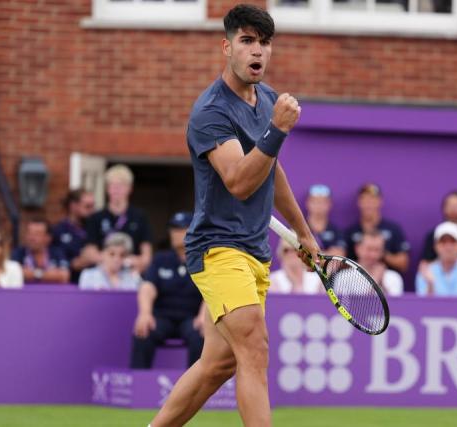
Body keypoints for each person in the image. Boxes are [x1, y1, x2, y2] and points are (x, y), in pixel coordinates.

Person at [148, 5, 317, 427]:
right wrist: (276, 131)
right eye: (247, 41)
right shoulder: (210, 112)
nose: (257, 51)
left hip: (255, 251)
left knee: (218, 365)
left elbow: (271, 173)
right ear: (227, 47)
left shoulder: (268, 100)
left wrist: (303, 233)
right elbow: (239, 182)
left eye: (264, 43)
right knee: (255, 349)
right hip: (218, 250)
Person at [131, 212, 205, 369]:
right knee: (143, 332)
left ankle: (195, 388)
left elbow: (212, 291)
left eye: (181, 229)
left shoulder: (203, 259)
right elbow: (147, 287)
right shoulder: (160, 259)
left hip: (191, 318)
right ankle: (138, 384)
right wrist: (144, 313)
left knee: (203, 334)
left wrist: (204, 315)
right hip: (163, 317)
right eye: (173, 230)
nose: (176, 234)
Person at [85, 165, 153, 274]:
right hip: (103, 274)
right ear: (107, 189)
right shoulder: (96, 217)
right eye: (112, 186)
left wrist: (129, 261)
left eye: (121, 186)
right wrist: (112, 259)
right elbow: (89, 252)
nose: (116, 190)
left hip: (130, 273)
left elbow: (147, 256)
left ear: (130, 189)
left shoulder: (139, 216)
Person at [343, 183, 410, 273]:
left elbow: (403, 263)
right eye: (365, 199)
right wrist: (363, 260)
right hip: (356, 277)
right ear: (359, 202)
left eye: (372, 199)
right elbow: (340, 263)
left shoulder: (393, 229)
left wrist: (379, 253)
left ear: (380, 201)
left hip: (386, 276)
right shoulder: (350, 232)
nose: (368, 204)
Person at [52, 189, 96, 283]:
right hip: (69, 283)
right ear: (73, 206)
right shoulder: (59, 230)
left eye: (93, 206)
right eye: (87, 206)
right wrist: (73, 263)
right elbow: (53, 257)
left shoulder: (95, 228)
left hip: (93, 283)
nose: (92, 211)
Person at [11, 219, 70, 284]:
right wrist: (49, 275)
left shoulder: (57, 253)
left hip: (52, 293)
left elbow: (64, 276)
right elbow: (14, 274)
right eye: (29, 233)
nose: (32, 238)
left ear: (48, 238)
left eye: (37, 234)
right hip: (24, 293)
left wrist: (34, 274)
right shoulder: (18, 253)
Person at [78, 233, 143, 291]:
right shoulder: (88, 275)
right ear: (103, 253)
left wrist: (136, 273)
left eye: (122, 255)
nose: (116, 259)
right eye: (112, 254)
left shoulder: (132, 277)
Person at [353, 229, 404, 296]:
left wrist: (381, 282)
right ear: (358, 249)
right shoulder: (344, 277)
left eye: (377, 250)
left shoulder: (394, 277)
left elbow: (395, 305)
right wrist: (376, 282)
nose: (373, 255)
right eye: (369, 249)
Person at [305, 183, 345, 257]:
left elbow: (339, 256)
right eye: (315, 201)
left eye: (323, 202)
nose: (319, 205)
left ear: (329, 204)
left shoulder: (336, 231)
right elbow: (291, 254)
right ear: (308, 203)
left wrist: (310, 253)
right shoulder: (298, 228)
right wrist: (328, 253)